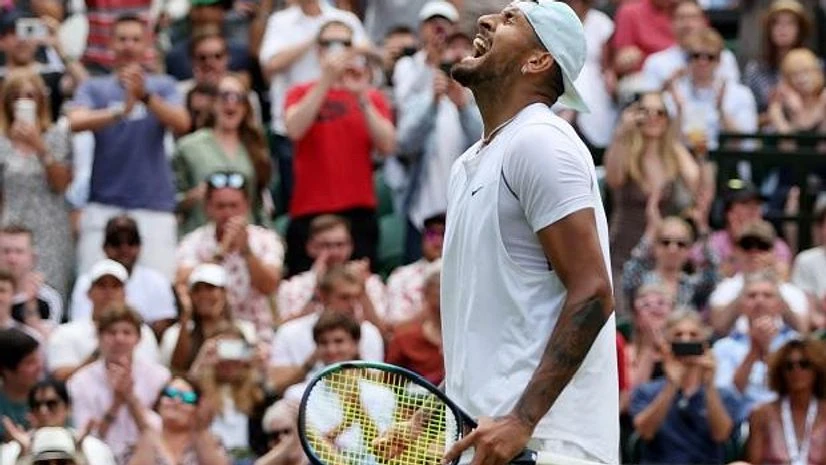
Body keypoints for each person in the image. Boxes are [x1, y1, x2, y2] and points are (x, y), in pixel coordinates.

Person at [439, 2, 618, 463]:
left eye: (510, 20)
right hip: (493, 442)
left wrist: (522, 420)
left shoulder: (541, 141)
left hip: (549, 447)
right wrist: (432, 410)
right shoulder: (467, 164)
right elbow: (498, 323)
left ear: (538, 60)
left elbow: (594, 291)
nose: (485, 20)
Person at [68, 14, 190, 281]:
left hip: (153, 206)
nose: (128, 46)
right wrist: (119, 112)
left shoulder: (164, 85)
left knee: (159, 287)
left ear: (147, 44)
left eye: (135, 39)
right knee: (93, 284)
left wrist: (145, 96)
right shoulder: (95, 87)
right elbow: (75, 121)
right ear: (111, 44)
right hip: (103, 205)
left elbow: (182, 123)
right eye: (122, 39)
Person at [283, 20, 395, 275]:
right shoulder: (299, 92)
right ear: (318, 50)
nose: (337, 50)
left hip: (358, 210)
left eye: (344, 44)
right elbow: (294, 129)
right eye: (329, 43)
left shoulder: (371, 95)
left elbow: (388, 145)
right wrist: (326, 80)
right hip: (310, 210)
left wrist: (361, 97)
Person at [176, 171, 283, 338]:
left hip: (257, 333)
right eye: (221, 206)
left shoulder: (266, 239)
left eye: (234, 206)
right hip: (206, 334)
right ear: (208, 207)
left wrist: (246, 251)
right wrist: (221, 252)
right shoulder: (192, 241)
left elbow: (269, 286)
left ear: (246, 206)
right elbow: (183, 283)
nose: (227, 213)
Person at [630, 311, 743, 465]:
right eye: (678, 335)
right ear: (668, 343)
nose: (686, 340)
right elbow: (645, 432)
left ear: (704, 344)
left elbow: (721, 435)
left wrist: (709, 384)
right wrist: (671, 385)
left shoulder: (723, 395)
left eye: (693, 335)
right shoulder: (646, 391)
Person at [0, 68, 73, 296]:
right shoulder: (1, 142)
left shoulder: (56, 136)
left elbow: (61, 184)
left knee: (48, 295)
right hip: (11, 230)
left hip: (49, 230)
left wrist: (39, 146)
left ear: (41, 100)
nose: (23, 102)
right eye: (16, 97)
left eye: (30, 96)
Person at [67, 304, 171, 463]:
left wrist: (130, 398)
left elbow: (164, 432)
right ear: (99, 337)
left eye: (127, 333)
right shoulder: (80, 381)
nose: (119, 339)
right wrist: (116, 404)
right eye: (111, 332)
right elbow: (87, 440)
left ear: (139, 338)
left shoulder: (160, 376)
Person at [173, 75, 272, 235]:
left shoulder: (255, 148)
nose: (231, 103)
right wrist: (195, 196)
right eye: (225, 96)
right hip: (201, 237)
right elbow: (171, 200)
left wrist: (269, 239)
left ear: (246, 107)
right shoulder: (188, 147)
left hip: (244, 237)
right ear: (213, 103)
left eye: (239, 98)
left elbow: (258, 205)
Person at [47, 259, 160, 381]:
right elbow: (61, 378)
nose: (109, 292)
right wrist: (100, 351)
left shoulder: (143, 332)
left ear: (125, 293)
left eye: (115, 286)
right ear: (89, 293)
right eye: (102, 286)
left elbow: (151, 378)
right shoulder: (65, 333)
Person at [69, 215, 177, 335]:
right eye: (116, 242)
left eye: (131, 242)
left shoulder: (157, 281)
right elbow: (81, 324)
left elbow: (163, 328)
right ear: (104, 247)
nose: (124, 249)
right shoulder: (86, 281)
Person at [161, 263, 257, 374]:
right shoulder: (174, 334)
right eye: (197, 290)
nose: (203, 295)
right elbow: (175, 370)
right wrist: (185, 316)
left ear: (224, 293)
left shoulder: (246, 330)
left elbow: (248, 369)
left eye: (210, 288)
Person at [746, 339, 826, 465]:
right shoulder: (761, 414)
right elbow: (753, 462)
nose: (796, 370)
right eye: (789, 366)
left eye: (804, 364)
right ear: (780, 372)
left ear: (817, 368)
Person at [0, 379, 117, 465]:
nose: (43, 411)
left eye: (51, 404)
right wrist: (23, 457)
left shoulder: (93, 447)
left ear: (68, 407)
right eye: (37, 405)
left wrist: (81, 455)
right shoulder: (13, 450)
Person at [126, 377, 230, 465]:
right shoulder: (137, 445)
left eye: (187, 397)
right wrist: (147, 432)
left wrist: (200, 431)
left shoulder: (213, 443)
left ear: (197, 407)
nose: (176, 400)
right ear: (159, 402)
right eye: (170, 393)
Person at [386, 263, 444, 384]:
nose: (442, 297)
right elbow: (388, 386)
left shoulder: (470, 341)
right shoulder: (403, 339)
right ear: (425, 294)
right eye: (438, 290)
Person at [0, 225, 63, 332]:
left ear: (33, 258)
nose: (12, 259)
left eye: (19, 252)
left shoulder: (48, 298)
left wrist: (31, 303)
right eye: (6, 251)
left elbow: (47, 339)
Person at [0, 328, 42, 439]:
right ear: (7, 371)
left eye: (38, 359)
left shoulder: (51, 397)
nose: (39, 367)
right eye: (30, 362)